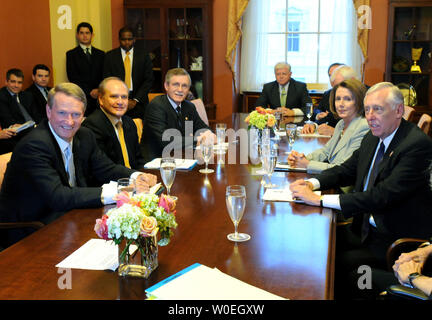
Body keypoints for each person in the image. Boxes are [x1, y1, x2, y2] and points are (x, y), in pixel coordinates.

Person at [289, 82, 432, 299]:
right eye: (367, 109)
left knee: (344, 270)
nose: (371, 116)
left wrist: (318, 201)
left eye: (378, 109)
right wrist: (313, 184)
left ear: (399, 111)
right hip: (364, 228)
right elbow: (346, 170)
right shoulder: (373, 136)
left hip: (393, 242)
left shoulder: (415, 145)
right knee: (316, 247)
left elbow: (381, 195)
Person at [0, 82, 157, 247]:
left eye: (76, 114)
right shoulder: (34, 145)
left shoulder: (84, 135)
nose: (69, 122)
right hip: (30, 229)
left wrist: (137, 176)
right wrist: (121, 191)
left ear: (83, 115)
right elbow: (58, 196)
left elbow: (105, 168)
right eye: (62, 113)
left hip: (70, 217)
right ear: (48, 111)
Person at [287, 79, 369, 175]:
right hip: (332, 178)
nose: (341, 104)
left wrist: (307, 164)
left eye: (348, 99)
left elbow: (342, 168)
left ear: (359, 101)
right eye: (338, 99)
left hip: (344, 186)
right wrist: (301, 158)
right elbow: (326, 152)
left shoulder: (363, 127)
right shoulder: (341, 123)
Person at [141, 68, 214, 162]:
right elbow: (166, 140)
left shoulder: (189, 107)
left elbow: (202, 128)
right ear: (166, 86)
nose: (180, 90)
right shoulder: (156, 106)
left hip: (180, 158)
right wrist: (198, 139)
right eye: (176, 85)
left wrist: (210, 135)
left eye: (184, 86)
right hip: (156, 162)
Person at [82, 77, 145, 170]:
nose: (120, 102)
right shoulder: (92, 125)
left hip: (134, 179)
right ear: (101, 99)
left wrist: (146, 175)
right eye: (114, 96)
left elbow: (138, 159)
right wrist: (135, 176)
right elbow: (103, 168)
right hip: (109, 181)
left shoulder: (129, 122)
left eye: (124, 97)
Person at [103, 26, 154, 120]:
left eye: (129, 39)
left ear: (134, 39)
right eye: (123, 39)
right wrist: (120, 98)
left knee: (140, 130)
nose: (127, 42)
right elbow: (107, 80)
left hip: (139, 102)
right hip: (116, 102)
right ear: (119, 40)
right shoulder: (110, 56)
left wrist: (135, 100)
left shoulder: (144, 55)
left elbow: (148, 79)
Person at [303, 65, 359, 136]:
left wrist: (336, 132)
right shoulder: (335, 95)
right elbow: (331, 116)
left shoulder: (367, 97)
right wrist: (314, 125)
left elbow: (364, 133)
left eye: (342, 85)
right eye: (336, 87)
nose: (338, 91)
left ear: (352, 80)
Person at [66, 22, 105, 116]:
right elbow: (72, 77)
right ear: (77, 35)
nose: (85, 36)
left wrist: (98, 90)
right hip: (82, 97)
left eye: (87, 33)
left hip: (99, 98)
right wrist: (89, 92)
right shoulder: (71, 54)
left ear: (92, 35)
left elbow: (105, 74)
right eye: (81, 33)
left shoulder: (101, 54)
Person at [0, 68, 42, 149]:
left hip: (34, 131)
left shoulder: (27, 96)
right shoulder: (2, 97)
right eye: (13, 82)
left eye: (19, 82)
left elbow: (37, 116)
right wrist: (32, 128)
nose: (16, 85)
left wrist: (38, 127)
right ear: (6, 82)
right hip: (16, 137)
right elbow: (10, 123)